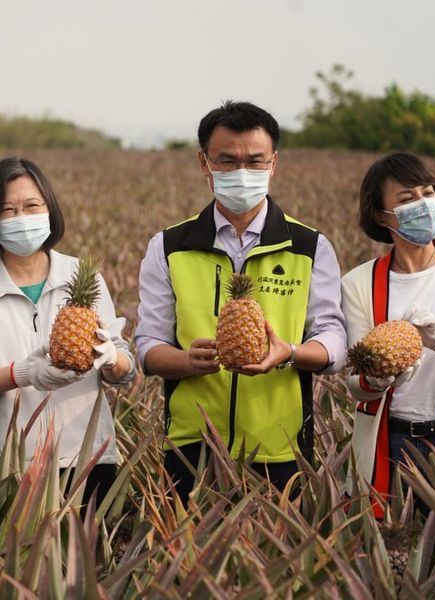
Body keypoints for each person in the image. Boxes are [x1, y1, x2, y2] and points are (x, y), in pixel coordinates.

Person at [134, 101, 347, 503]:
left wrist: (290, 353)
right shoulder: (169, 246)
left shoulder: (308, 246)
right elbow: (147, 345)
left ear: (274, 164)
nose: (241, 173)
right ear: (204, 163)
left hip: (280, 446)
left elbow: (333, 338)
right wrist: (184, 361)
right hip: (189, 445)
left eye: (255, 161)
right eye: (227, 161)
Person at [0, 157, 136, 508]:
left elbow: (125, 372)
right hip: (1, 469)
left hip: (86, 462)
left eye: (32, 206)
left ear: (49, 209)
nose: (22, 218)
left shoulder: (83, 277)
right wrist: (24, 373)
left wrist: (112, 359)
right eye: (7, 210)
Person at [341, 152, 435, 517]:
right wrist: (378, 378)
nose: (423, 204)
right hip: (391, 440)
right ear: (381, 215)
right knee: (390, 549)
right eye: (407, 199)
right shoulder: (359, 283)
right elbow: (354, 383)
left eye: (427, 193)